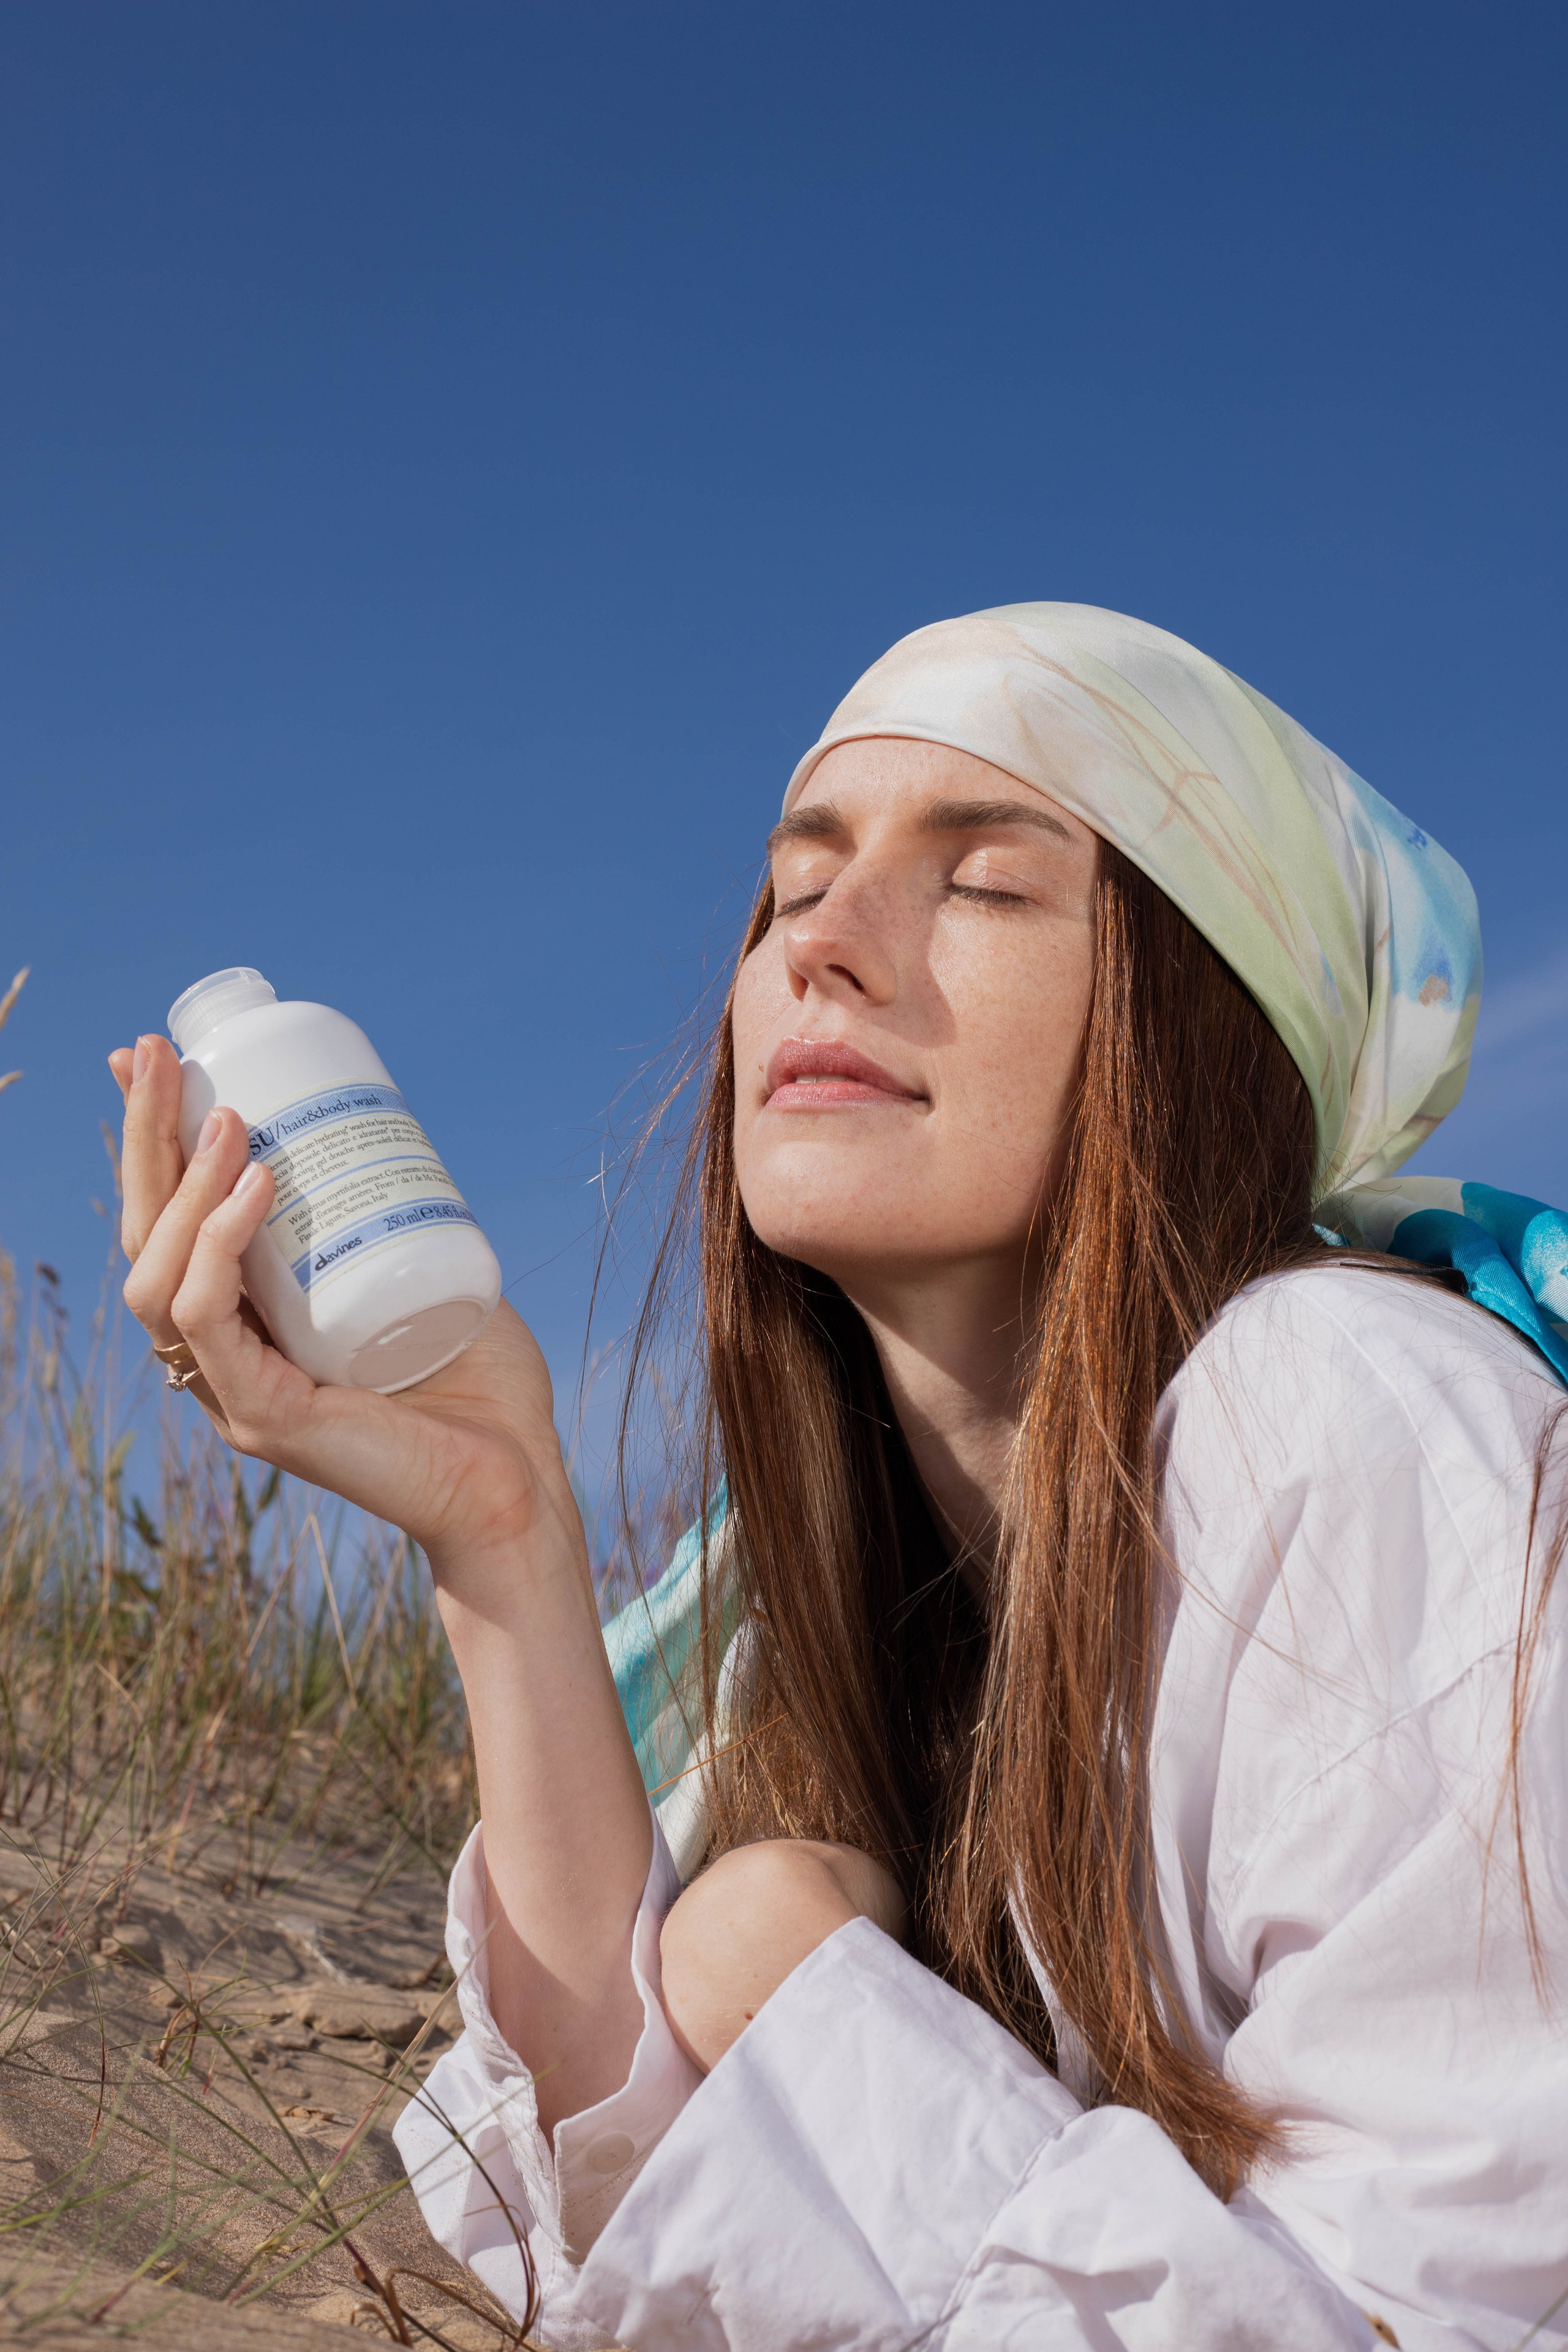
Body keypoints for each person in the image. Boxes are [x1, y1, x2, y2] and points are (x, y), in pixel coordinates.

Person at [111, 605, 1568, 2352]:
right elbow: (631, 2206)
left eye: (988, 885)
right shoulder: (839, 1624)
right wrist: (501, 1533)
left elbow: (1440, 2321)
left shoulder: (1357, 1409)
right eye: (796, 886)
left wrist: (794, 1994)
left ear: (1200, 1022)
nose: (826, 944)